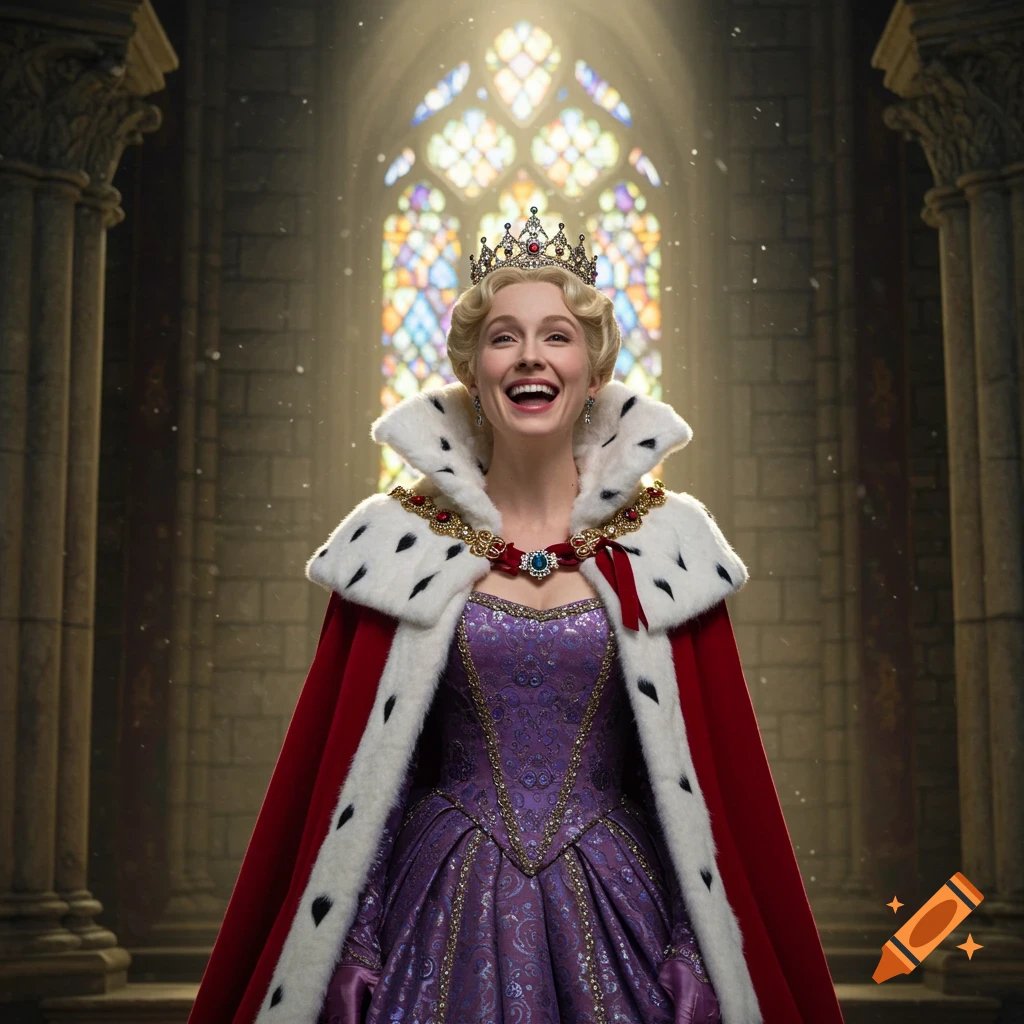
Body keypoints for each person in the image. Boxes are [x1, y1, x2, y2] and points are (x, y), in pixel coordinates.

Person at [188, 210, 845, 1024]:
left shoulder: (666, 548)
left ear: (594, 371)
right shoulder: (398, 545)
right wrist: (351, 940)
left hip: (617, 900)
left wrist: (690, 942)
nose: (531, 355)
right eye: (504, 337)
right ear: (472, 369)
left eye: (557, 336)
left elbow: (690, 779)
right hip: (437, 900)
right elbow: (370, 774)